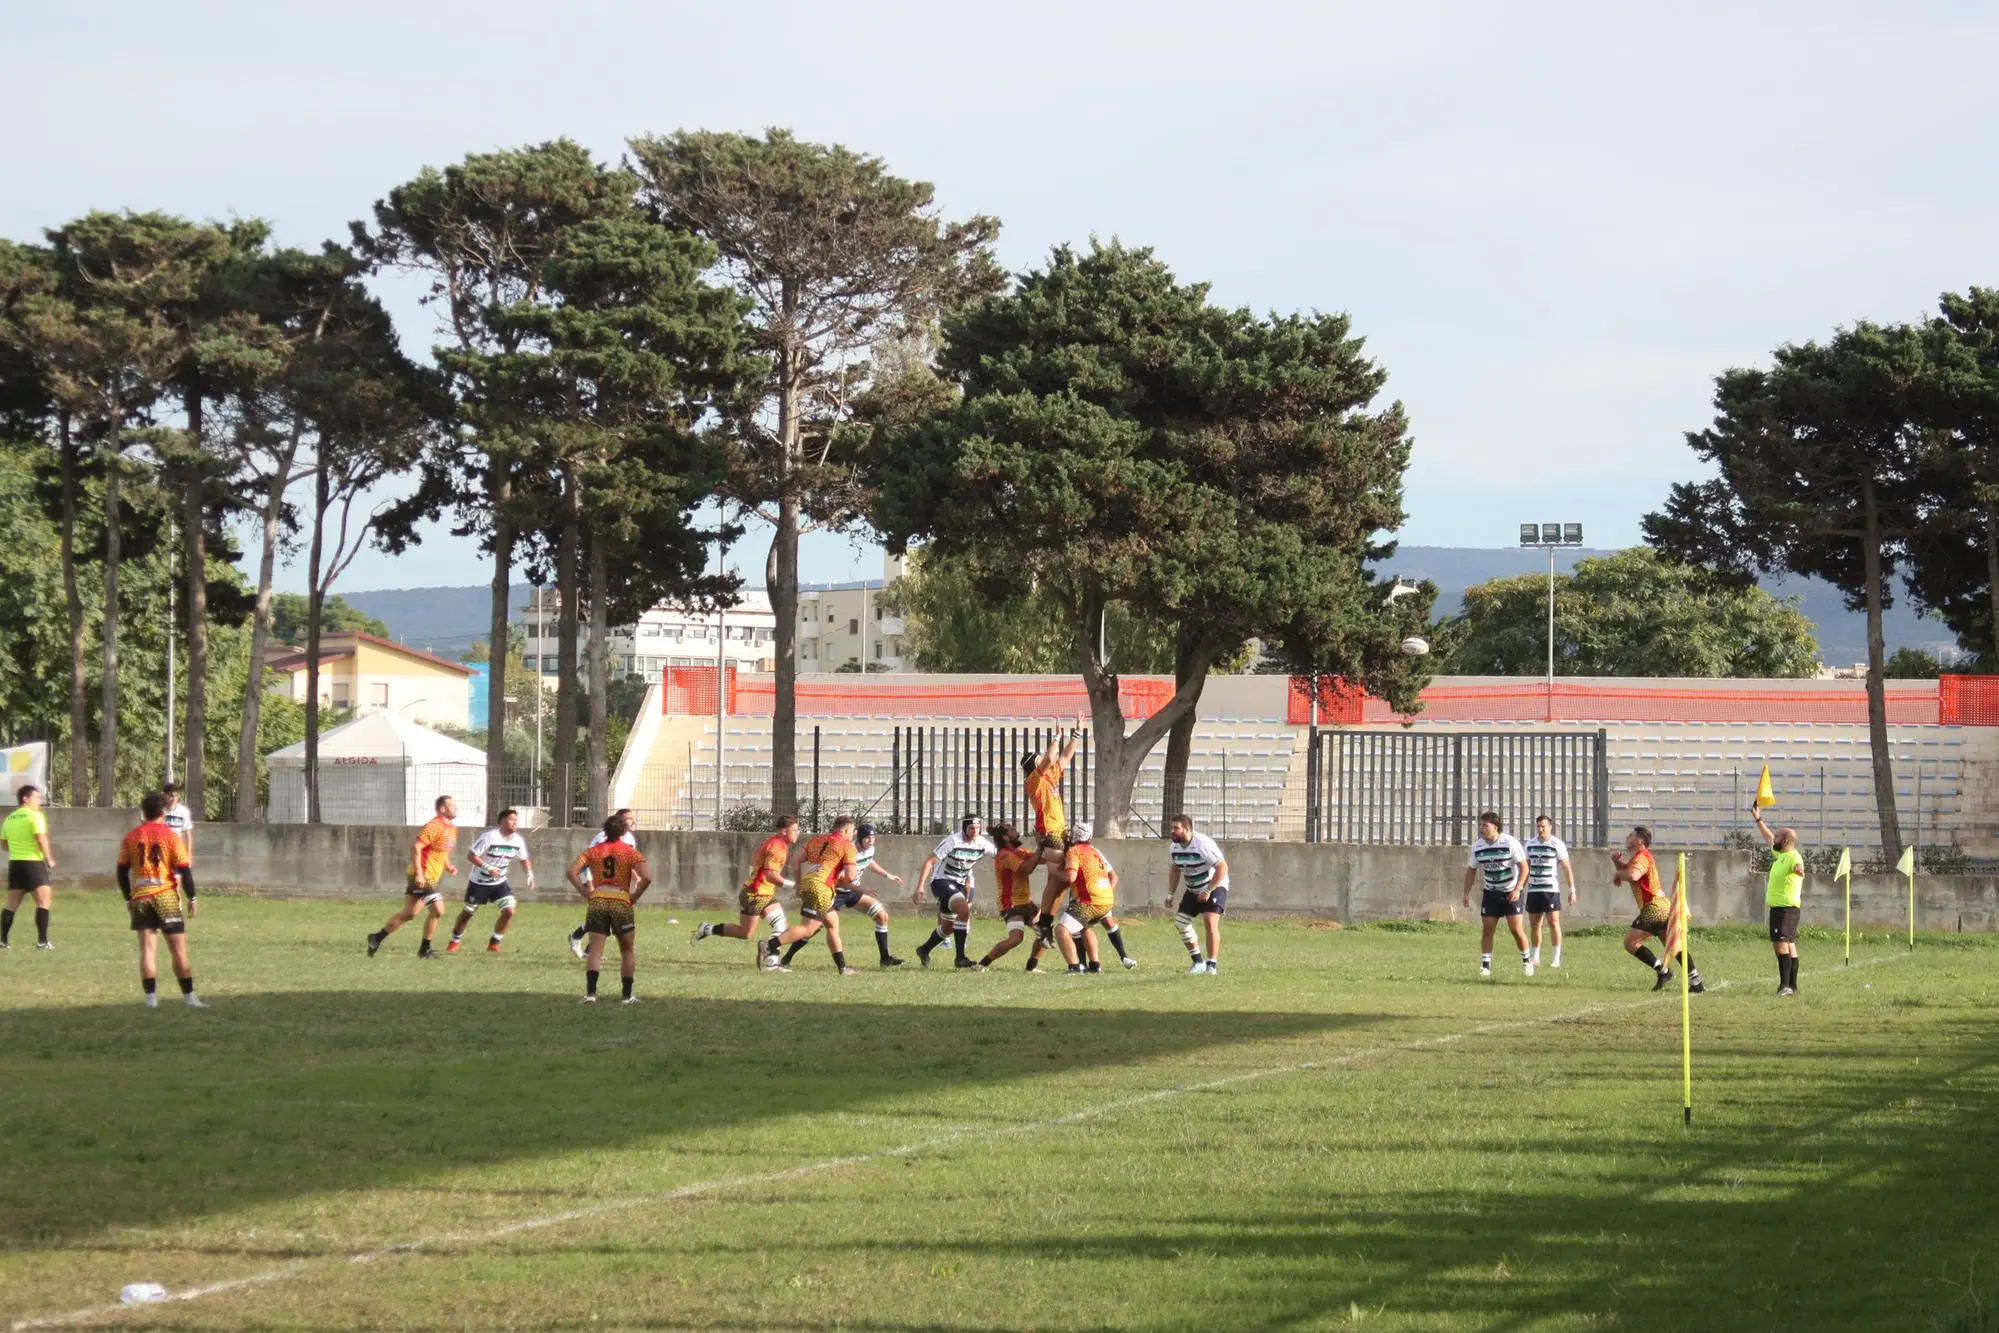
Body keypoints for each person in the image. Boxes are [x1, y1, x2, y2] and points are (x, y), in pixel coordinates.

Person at [117, 791, 205, 1008]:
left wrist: (129, 899)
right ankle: (189, 997)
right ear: (163, 812)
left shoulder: (131, 836)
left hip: (141, 897)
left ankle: (151, 999)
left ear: (143, 812)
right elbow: (184, 870)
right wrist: (192, 897)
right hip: (165, 896)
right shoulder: (171, 836)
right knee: (178, 950)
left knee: (147, 950)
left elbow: (121, 872)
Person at [564, 816, 652, 1003]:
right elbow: (647, 878)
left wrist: (584, 892)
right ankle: (627, 996)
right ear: (623, 831)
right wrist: (634, 897)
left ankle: (590, 994)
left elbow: (571, 872)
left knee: (595, 951)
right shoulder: (628, 852)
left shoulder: (593, 851)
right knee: (627, 950)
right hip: (620, 900)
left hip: (598, 900)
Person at [692, 814, 797, 967]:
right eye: (794, 830)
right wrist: (795, 885)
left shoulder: (775, 843)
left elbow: (755, 860)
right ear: (783, 831)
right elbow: (771, 875)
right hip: (756, 894)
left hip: (763, 892)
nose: (797, 833)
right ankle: (707, 929)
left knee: (781, 925)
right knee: (746, 933)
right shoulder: (777, 847)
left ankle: (770, 959)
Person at [1610, 826, 1705, 993]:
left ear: (1640, 840)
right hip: (1662, 906)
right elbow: (1628, 871)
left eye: (1631, 834)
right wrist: (1617, 863)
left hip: (1654, 907)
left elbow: (1633, 875)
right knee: (1674, 946)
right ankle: (1696, 981)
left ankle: (1663, 971)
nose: (1627, 836)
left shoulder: (1643, 857)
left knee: (1630, 942)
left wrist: (1618, 874)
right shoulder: (1638, 858)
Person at [368, 795, 458, 959]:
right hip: (423, 875)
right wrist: (420, 874)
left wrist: (448, 865)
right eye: (451, 805)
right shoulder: (434, 825)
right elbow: (416, 848)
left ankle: (376, 938)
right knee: (438, 910)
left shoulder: (451, 828)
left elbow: (441, 850)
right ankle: (424, 950)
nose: (455, 807)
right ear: (442, 809)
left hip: (429, 875)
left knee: (410, 913)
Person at [768, 816, 862, 974]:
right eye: (852, 832)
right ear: (846, 830)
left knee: (832, 923)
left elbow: (796, 860)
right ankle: (769, 945)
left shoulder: (816, 840)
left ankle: (842, 968)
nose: (853, 835)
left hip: (809, 884)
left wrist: (798, 883)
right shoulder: (847, 845)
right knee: (807, 929)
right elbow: (851, 876)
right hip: (821, 888)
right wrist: (839, 879)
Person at [912, 814, 997, 968]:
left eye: (978, 828)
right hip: (941, 881)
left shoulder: (981, 843)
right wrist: (920, 887)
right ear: (965, 828)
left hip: (960, 883)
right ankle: (960, 958)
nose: (975, 831)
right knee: (964, 910)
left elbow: (1001, 856)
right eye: (971, 828)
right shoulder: (953, 841)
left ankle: (924, 950)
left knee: (949, 926)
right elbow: (929, 862)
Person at [446, 808, 534, 953]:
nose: (515, 823)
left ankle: (494, 943)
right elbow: (471, 855)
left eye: (516, 820)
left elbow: (524, 859)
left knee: (509, 911)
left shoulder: (518, 840)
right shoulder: (490, 837)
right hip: (479, 882)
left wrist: (529, 874)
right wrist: (488, 868)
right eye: (512, 819)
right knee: (468, 913)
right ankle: (455, 940)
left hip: (499, 882)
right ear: (502, 822)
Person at [1462, 812, 1533, 978]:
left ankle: (1527, 962)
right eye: (1481, 825)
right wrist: (1466, 893)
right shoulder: (1478, 847)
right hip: (1491, 892)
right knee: (1488, 929)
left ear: (1495, 827)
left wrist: (1517, 889)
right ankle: (1485, 966)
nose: (1481, 828)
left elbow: (1524, 868)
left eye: (1485, 825)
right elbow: (1471, 871)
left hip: (1510, 892)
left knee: (1516, 929)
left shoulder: (1509, 843)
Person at [1056, 823, 1132, 972]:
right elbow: (1113, 875)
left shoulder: (1075, 851)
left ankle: (1075, 967)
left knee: (1061, 930)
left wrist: (1056, 874)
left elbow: (1070, 877)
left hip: (1089, 901)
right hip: (1106, 900)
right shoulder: (1094, 851)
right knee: (1084, 927)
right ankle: (1095, 966)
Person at [834, 822, 905, 968]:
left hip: (853, 892)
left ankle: (885, 959)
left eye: (873, 838)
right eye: (867, 838)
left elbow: (869, 862)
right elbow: (840, 881)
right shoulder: (849, 851)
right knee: (812, 928)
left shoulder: (869, 849)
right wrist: (862, 890)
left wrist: (888, 875)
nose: (871, 841)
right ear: (859, 838)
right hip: (836, 892)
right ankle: (787, 957)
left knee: (882, 916)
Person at [569, 808, 637, 958]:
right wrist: (589, 883)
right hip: (600, 883)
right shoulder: (602, 837)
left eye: (632, 818)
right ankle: (578, 938)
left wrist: (635, 876)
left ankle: (586, 946)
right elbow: (587, 861)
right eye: (628, 818)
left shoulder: (630, 840)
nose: (632, 821)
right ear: (620, 820)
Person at [1753, 802, 1804, 996]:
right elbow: (1767, 838)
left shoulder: (1793, 857)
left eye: (1778, 836)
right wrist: (1758, 819)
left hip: (1786, 908)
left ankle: (1785, 986)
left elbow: (1798, 866)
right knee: (1789, 944)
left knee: (1781, 944)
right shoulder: (1781, 855)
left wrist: (1799, 870)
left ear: (1786, 840)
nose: (1774, 837)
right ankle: (1792, 986)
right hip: (1781, 908)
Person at [974, 823, 1042, 970]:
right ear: (1005, 837)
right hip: (1011, 904)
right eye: (1012, 830)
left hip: (1027, 902)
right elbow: (1027, 868)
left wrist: (1053, 847)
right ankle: (982, 964)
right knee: (1016, 939)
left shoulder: (1021, 852)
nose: (1017, 831)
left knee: (1045, 933)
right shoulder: (1004, 855)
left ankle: (1031, 968)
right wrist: (1041, 847)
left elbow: (1040, 859)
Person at [1166, 813, 1227, 975]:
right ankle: (1198, 963)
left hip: (1215, 885)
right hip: (1193, 888)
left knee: (1209, 921)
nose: (1172, 831)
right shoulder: (1174, 847)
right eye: (1171, 827)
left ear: (1187, 829)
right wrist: (1170, 893)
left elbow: (1222, 868)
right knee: (1181, 923)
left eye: (1176, 828)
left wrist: (1208, 890)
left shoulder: (1203, 844)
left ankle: (1211, 965)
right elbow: (1174, 869)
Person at [1, 784, 55, 951]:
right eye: (36, 797)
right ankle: (43, 941)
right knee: (43, 901)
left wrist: (17, 850)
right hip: (33, 864)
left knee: (11, 905)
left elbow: (3, 842)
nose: (39, 801)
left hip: (15, 864)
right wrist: (49, 859)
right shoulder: (35, 816)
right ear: (26, 798)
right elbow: (41, 839)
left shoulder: (10, 818)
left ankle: (2, 941)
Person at [1522, 814, 1576, 970]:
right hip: (1534, 889)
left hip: (1550, 889)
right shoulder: (1530, 845)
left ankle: (1556, 958)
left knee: (1553, 923)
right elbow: (1526, 868)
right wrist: (1520, 887)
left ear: (1550, 827)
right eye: (1538, 826)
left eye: (1543, 826)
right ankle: (1535, 957)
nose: (1540, 829)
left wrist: (1572, 889)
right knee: (1534, 924)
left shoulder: (1557, 844)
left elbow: (1566, 867)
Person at [1021, 715, 1083, 842]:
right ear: (1034, 765)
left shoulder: (1049, 776)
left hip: (1059, 828)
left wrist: (1077, 733)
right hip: (1048, 830)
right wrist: (1057, 737)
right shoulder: (1032, 781)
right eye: (1039, 759)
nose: (1043, 759)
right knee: (1060, 860)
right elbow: (1049, 759)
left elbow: (1065, 757)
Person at [161, 780, 198, 907]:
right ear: (164, 796)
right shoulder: (159, 811)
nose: (173, 798)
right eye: (170, 795)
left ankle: (177, 911)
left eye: (175, 796)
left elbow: (187, 835)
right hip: (161, 853)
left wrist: (188, 856)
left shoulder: (183, 812)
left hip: (176, 853)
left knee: (175, 885)